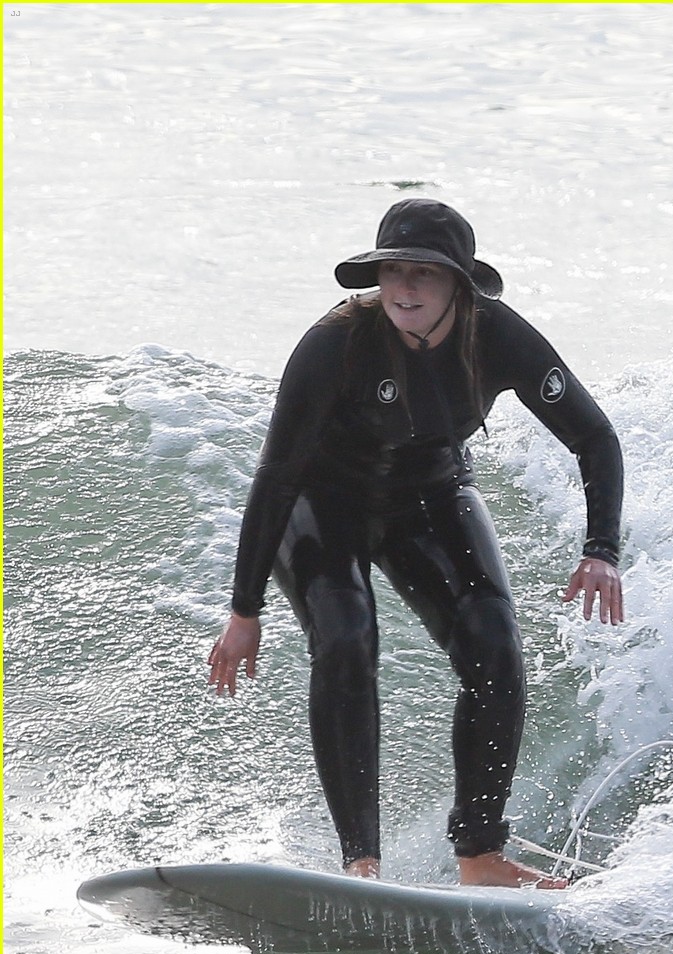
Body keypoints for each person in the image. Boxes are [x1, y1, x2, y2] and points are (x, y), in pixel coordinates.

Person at [208, 199, 624, 889]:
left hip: (427, 497)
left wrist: (600, 549)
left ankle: (480, 855)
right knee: (345, 636)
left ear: (459, 284)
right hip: (321, 502)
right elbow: (277, 474)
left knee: (493, 644)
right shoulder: (333, 342)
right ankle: (361, 863)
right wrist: (243, 610)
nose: (402, 288)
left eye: (422, 275)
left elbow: (593, 436)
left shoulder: (500, 338)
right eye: (391, 271)